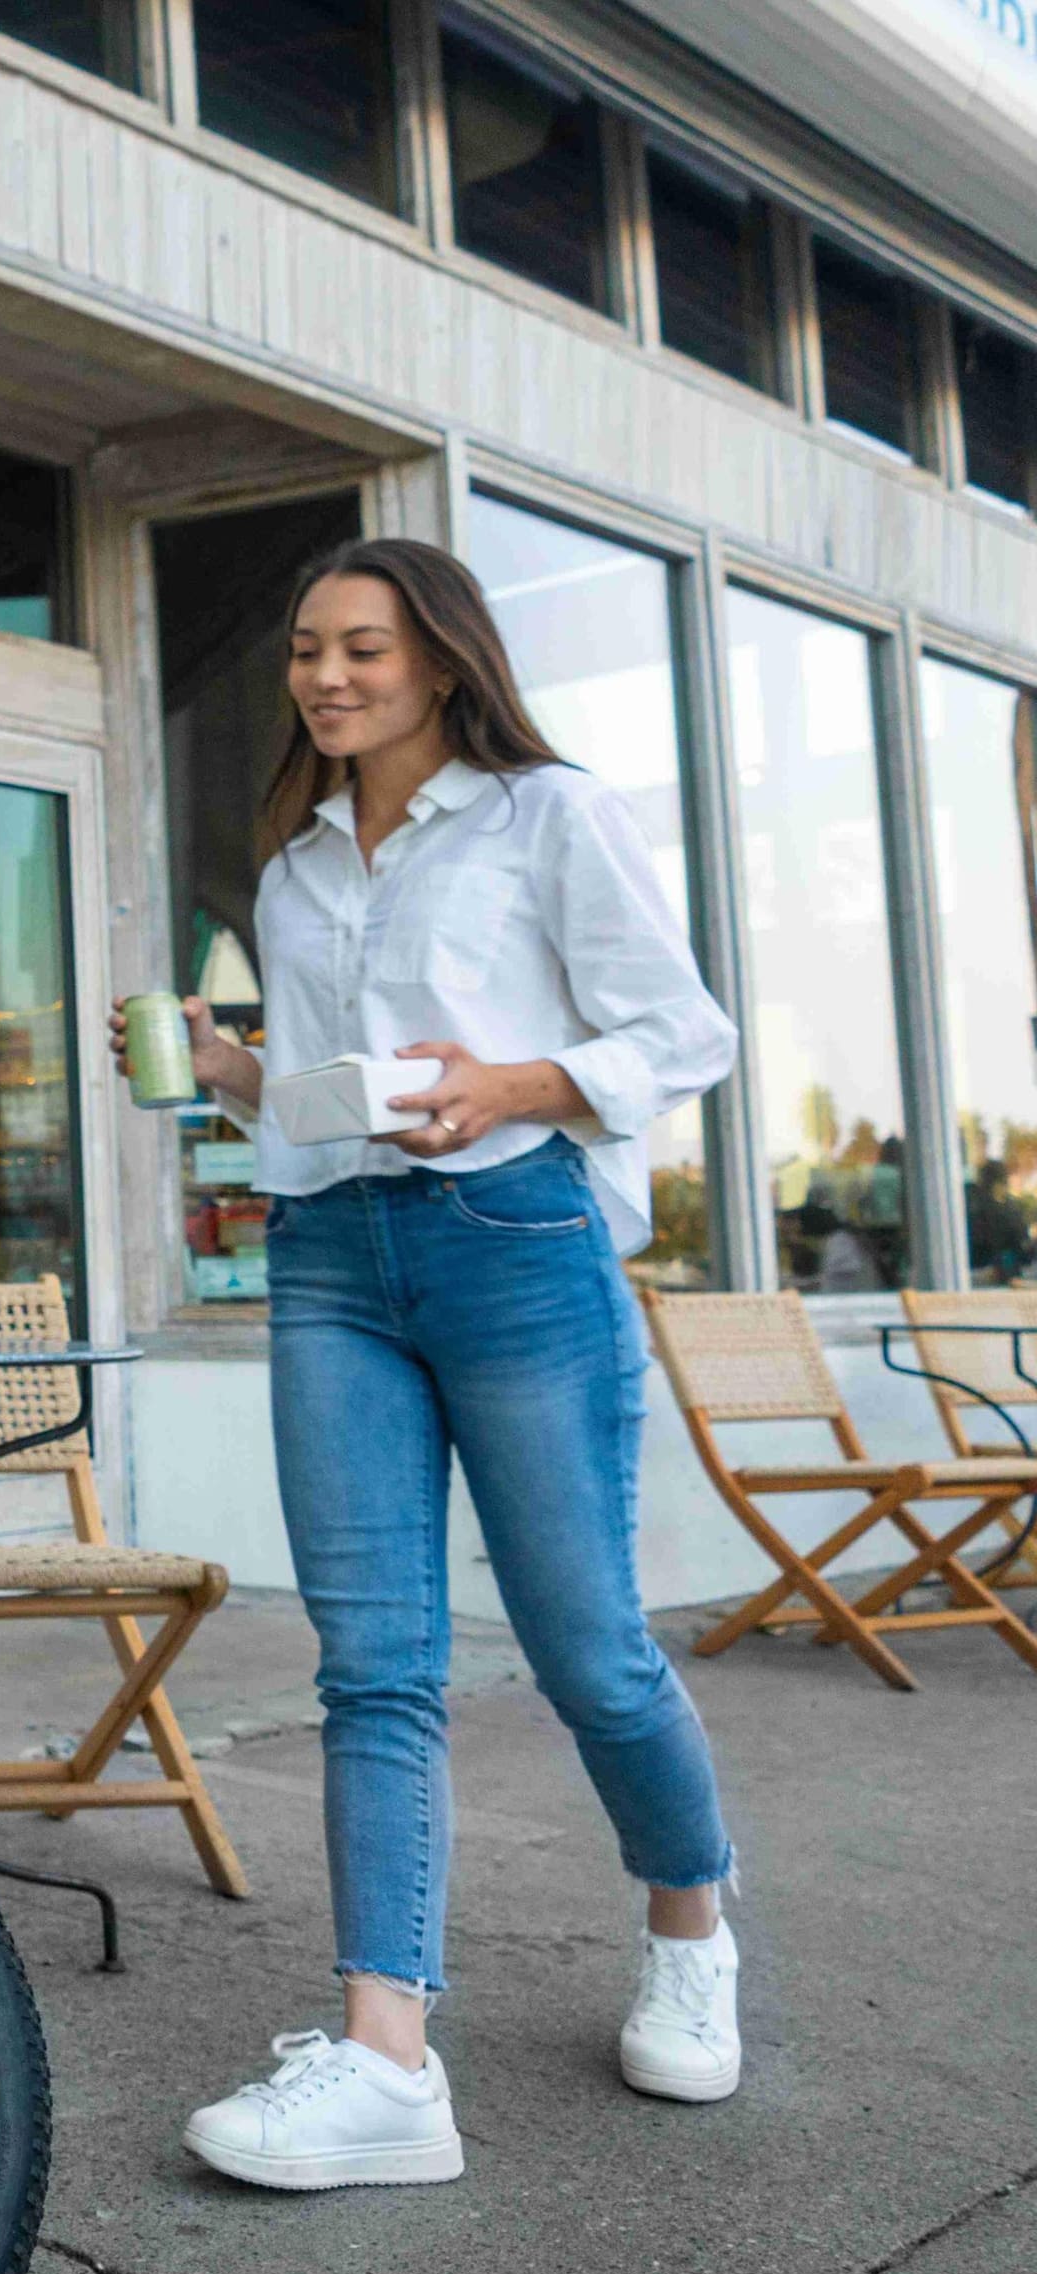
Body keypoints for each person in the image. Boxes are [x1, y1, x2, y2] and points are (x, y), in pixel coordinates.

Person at [110, 538, 744, 2191]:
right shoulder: (302, 862)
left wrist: (520, 1083)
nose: (326, 678)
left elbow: (688, 1033)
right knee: (372, 1661)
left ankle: (690, 1924)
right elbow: (333, 1091)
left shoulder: (550, 816)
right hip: (330, 1256)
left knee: (589, 1643)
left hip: (516, 1244)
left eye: (363, 652)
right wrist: (235, 1067)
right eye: (308, 650)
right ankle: (388, 2059)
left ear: (443, 663)